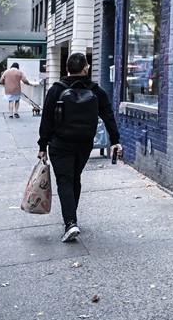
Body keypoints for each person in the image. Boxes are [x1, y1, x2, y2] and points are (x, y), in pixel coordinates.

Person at [37, 53, 123, 242]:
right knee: (74, 178)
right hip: (84, 144)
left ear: (67, 69)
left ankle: (70, 222)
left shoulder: (56, 90)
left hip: (60, 143)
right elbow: (108, 116)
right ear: (86, 68)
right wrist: (115, 140)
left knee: (65, 180)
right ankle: (71, 220)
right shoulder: (97, 91)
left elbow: (47, 120)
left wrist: (42, 145)